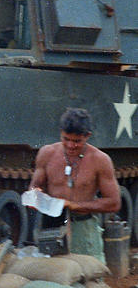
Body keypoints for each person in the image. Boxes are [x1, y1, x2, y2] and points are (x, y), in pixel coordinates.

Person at [29, 108, 120, 263]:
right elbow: (35, 186)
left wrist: (73, 205)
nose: (70, 145)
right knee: (52, 273)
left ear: (87, 136)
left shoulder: (100, 160)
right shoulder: (47, 153)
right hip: (51, 225)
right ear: (60, 133)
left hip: (83, 225)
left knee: (91, 273)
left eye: (77, 141)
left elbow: (114, 202)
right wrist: (35, 195)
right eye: (66, 139)